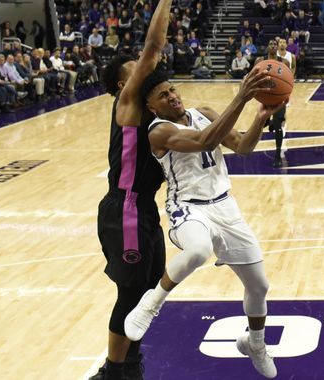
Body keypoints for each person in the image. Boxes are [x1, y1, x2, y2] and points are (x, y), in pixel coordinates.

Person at [123, 67, 279, 378]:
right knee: (197, 250)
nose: (172, 97)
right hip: (188, 208)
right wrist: (240, 98)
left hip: (225, 207)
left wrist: (260, 117)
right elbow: (206, 141)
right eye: (163, 95)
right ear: (152, 106)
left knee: (259, 285)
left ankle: (255, 344)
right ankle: (151, 303)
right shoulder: (158, 131)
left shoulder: (204, 112)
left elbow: (243, 146)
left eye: (173, 90)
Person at [89, 0, 174, 378]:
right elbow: (154, 48)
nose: (149, 69)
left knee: (148, 294)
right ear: (125, 84)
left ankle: (131, 364)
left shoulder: (153, 113)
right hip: (124, 208)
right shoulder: (127, 105)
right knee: (130, 294)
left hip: (144, 209)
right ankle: (112, 371)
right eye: (139, 69)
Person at [255, 39, 291, 168]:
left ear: (277, 48)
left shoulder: (284, 62)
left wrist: (286, 95)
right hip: (264, 96)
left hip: (279, 97)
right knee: (263, 122)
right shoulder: (260, 61)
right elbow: (254, 77)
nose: (273, 46)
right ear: (267, 47)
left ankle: (277, 154)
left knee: (278, 126)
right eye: (271, 44)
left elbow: (289, 81)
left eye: (275, 44)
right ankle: (269, 123)